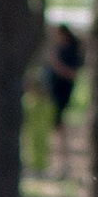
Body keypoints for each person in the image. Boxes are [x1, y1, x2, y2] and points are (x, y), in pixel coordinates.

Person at [39, 15, 84, 164]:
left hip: (62, 91)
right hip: (52, 92)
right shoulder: (58, 49)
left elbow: (72, 74)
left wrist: (55, 64)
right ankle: (56, 160)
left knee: (59, 126)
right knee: (54, 126)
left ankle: (63, 160)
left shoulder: (71, 51)